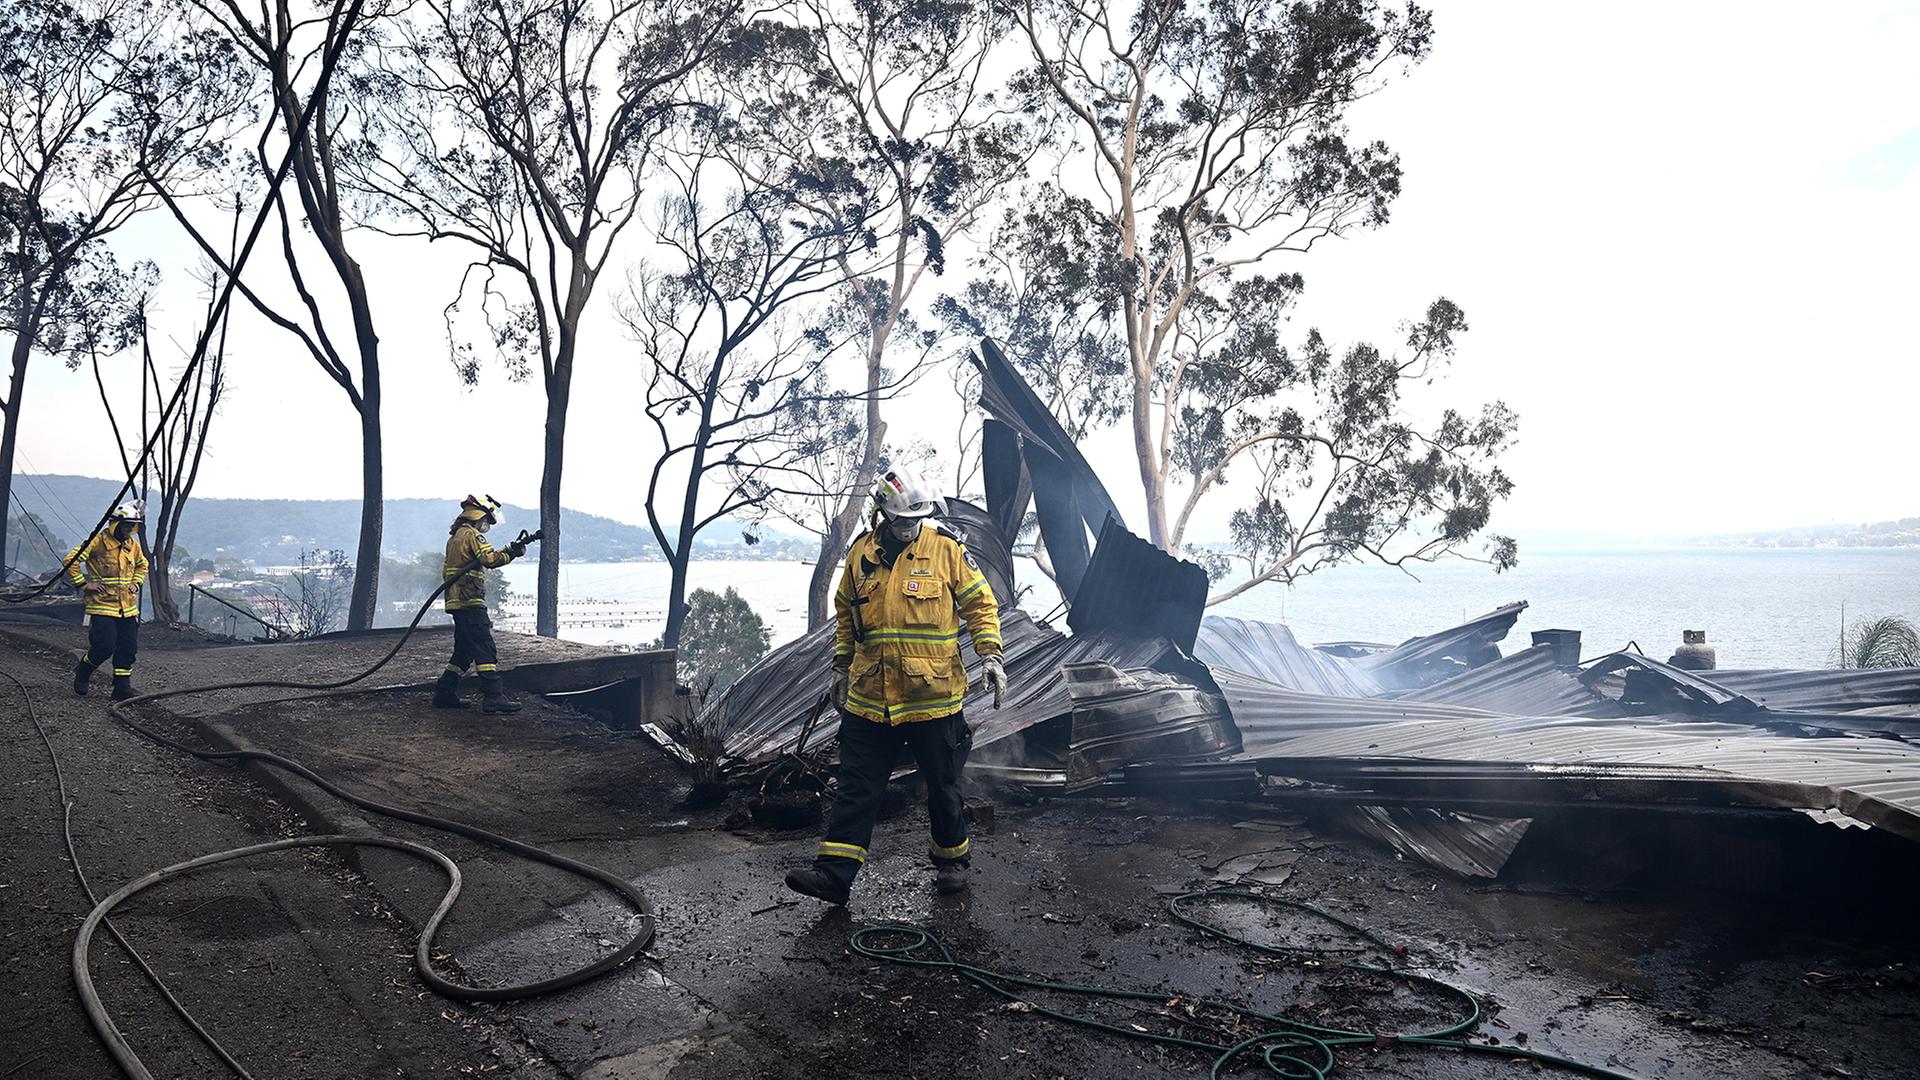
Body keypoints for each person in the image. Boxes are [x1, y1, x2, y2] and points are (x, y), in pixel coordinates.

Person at [785, 466, 1009, 905]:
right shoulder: (860, 556)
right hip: (870, 700)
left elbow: (981, 605)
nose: (910, 527)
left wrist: (991, 656)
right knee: (856, 786)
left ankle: (951, 862)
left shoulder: (946, 551)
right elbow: (847, 620)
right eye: (903, 520)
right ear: (883, 513)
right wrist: (839, 667)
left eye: (917, 519)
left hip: (934, 698)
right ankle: (834, 876)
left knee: (943, 785)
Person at [432, 495, 527, 713]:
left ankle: (445, 693)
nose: (487, 526)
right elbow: (490, 560)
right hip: (470, 601)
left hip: (457, 601)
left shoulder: (455, 537)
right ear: (479, 517)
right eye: (487, 521)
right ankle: (493, 695)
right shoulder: (473, 535)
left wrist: (509, 550)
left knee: (464, 652)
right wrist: (512, 552)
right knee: (485, 647)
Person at [69, 503, 149, 701]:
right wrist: (83, 584)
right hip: (103, 605)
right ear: (116, 524)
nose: (130, 530)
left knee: (128, 647)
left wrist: (136, 583)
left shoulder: (132, 545)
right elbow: (71, 560)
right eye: (126, 525)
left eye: (133, 526)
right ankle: (84, 670)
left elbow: (143, 565)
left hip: (127, 608)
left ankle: (121, 688)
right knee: (104, 646)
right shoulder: (98, 541)